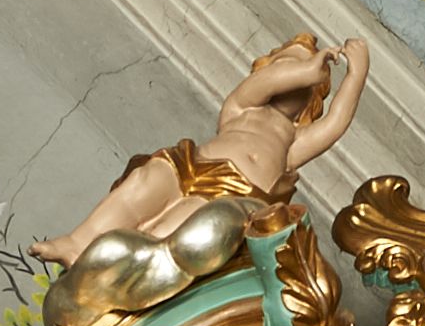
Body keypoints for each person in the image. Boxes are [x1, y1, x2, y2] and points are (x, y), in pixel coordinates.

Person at [28, 33, 369, 268]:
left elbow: (335, 123)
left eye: (306, 82)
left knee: (178, 230)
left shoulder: (293, 142)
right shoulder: (243, 106)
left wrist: (357, 73)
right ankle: (79, 242)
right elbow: (263, 84)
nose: (292, 79)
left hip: (233, 197)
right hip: (190, 165)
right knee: (143, 184)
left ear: (311, 100)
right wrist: (307, 69)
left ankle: (126, 272)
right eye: (283, 67)